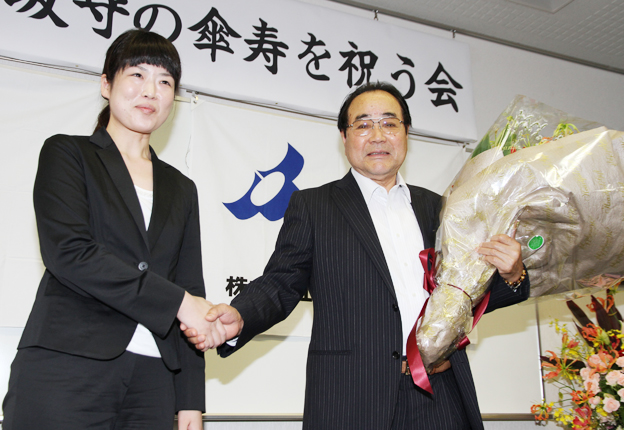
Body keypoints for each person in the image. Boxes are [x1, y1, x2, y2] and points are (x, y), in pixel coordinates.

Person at [186, 82, 530, 429]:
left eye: (389, 123)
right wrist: (241, 315)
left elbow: (468, 294)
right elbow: (281, 283)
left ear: (406, 133)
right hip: (353, 398)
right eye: (363, 125)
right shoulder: (314, 207)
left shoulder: (440, 208)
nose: (378, 136)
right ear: (344, 136)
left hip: (440, 395)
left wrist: (512, 274)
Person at [2, 29, 226, 430]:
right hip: (67, 365)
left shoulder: (181, 188)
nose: (151, 91)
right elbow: (70, 253)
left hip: (154, 382)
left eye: (165, 82)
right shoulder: (68, 153)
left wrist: (191, 399)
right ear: (106, 84)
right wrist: (177, 302)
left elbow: (190, 286)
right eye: (137, 75)